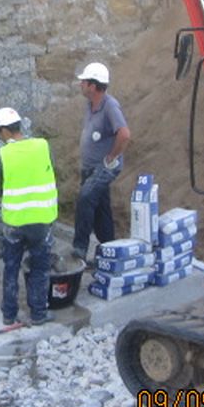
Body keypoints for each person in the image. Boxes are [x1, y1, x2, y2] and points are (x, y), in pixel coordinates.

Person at [0, 107, 57, 327]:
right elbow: (49, 172)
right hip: (41, 219)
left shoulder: (2, 154)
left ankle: (9, 314)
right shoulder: (42, 146)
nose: (0, 138)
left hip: (15, 221)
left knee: (11, 267)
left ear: (5, 131)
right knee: (39, 267)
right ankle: (39, 313)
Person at [72, 62, 131, 262]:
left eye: (84, 82)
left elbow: (124, 134)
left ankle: (79, 249)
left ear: (93, 85)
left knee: (86, 198)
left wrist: (110, 157)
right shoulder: (91, 105)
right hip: (90, 167)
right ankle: (108, 249)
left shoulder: (110, 106)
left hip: (103, 168)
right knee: (100, 208)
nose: (80, 84)